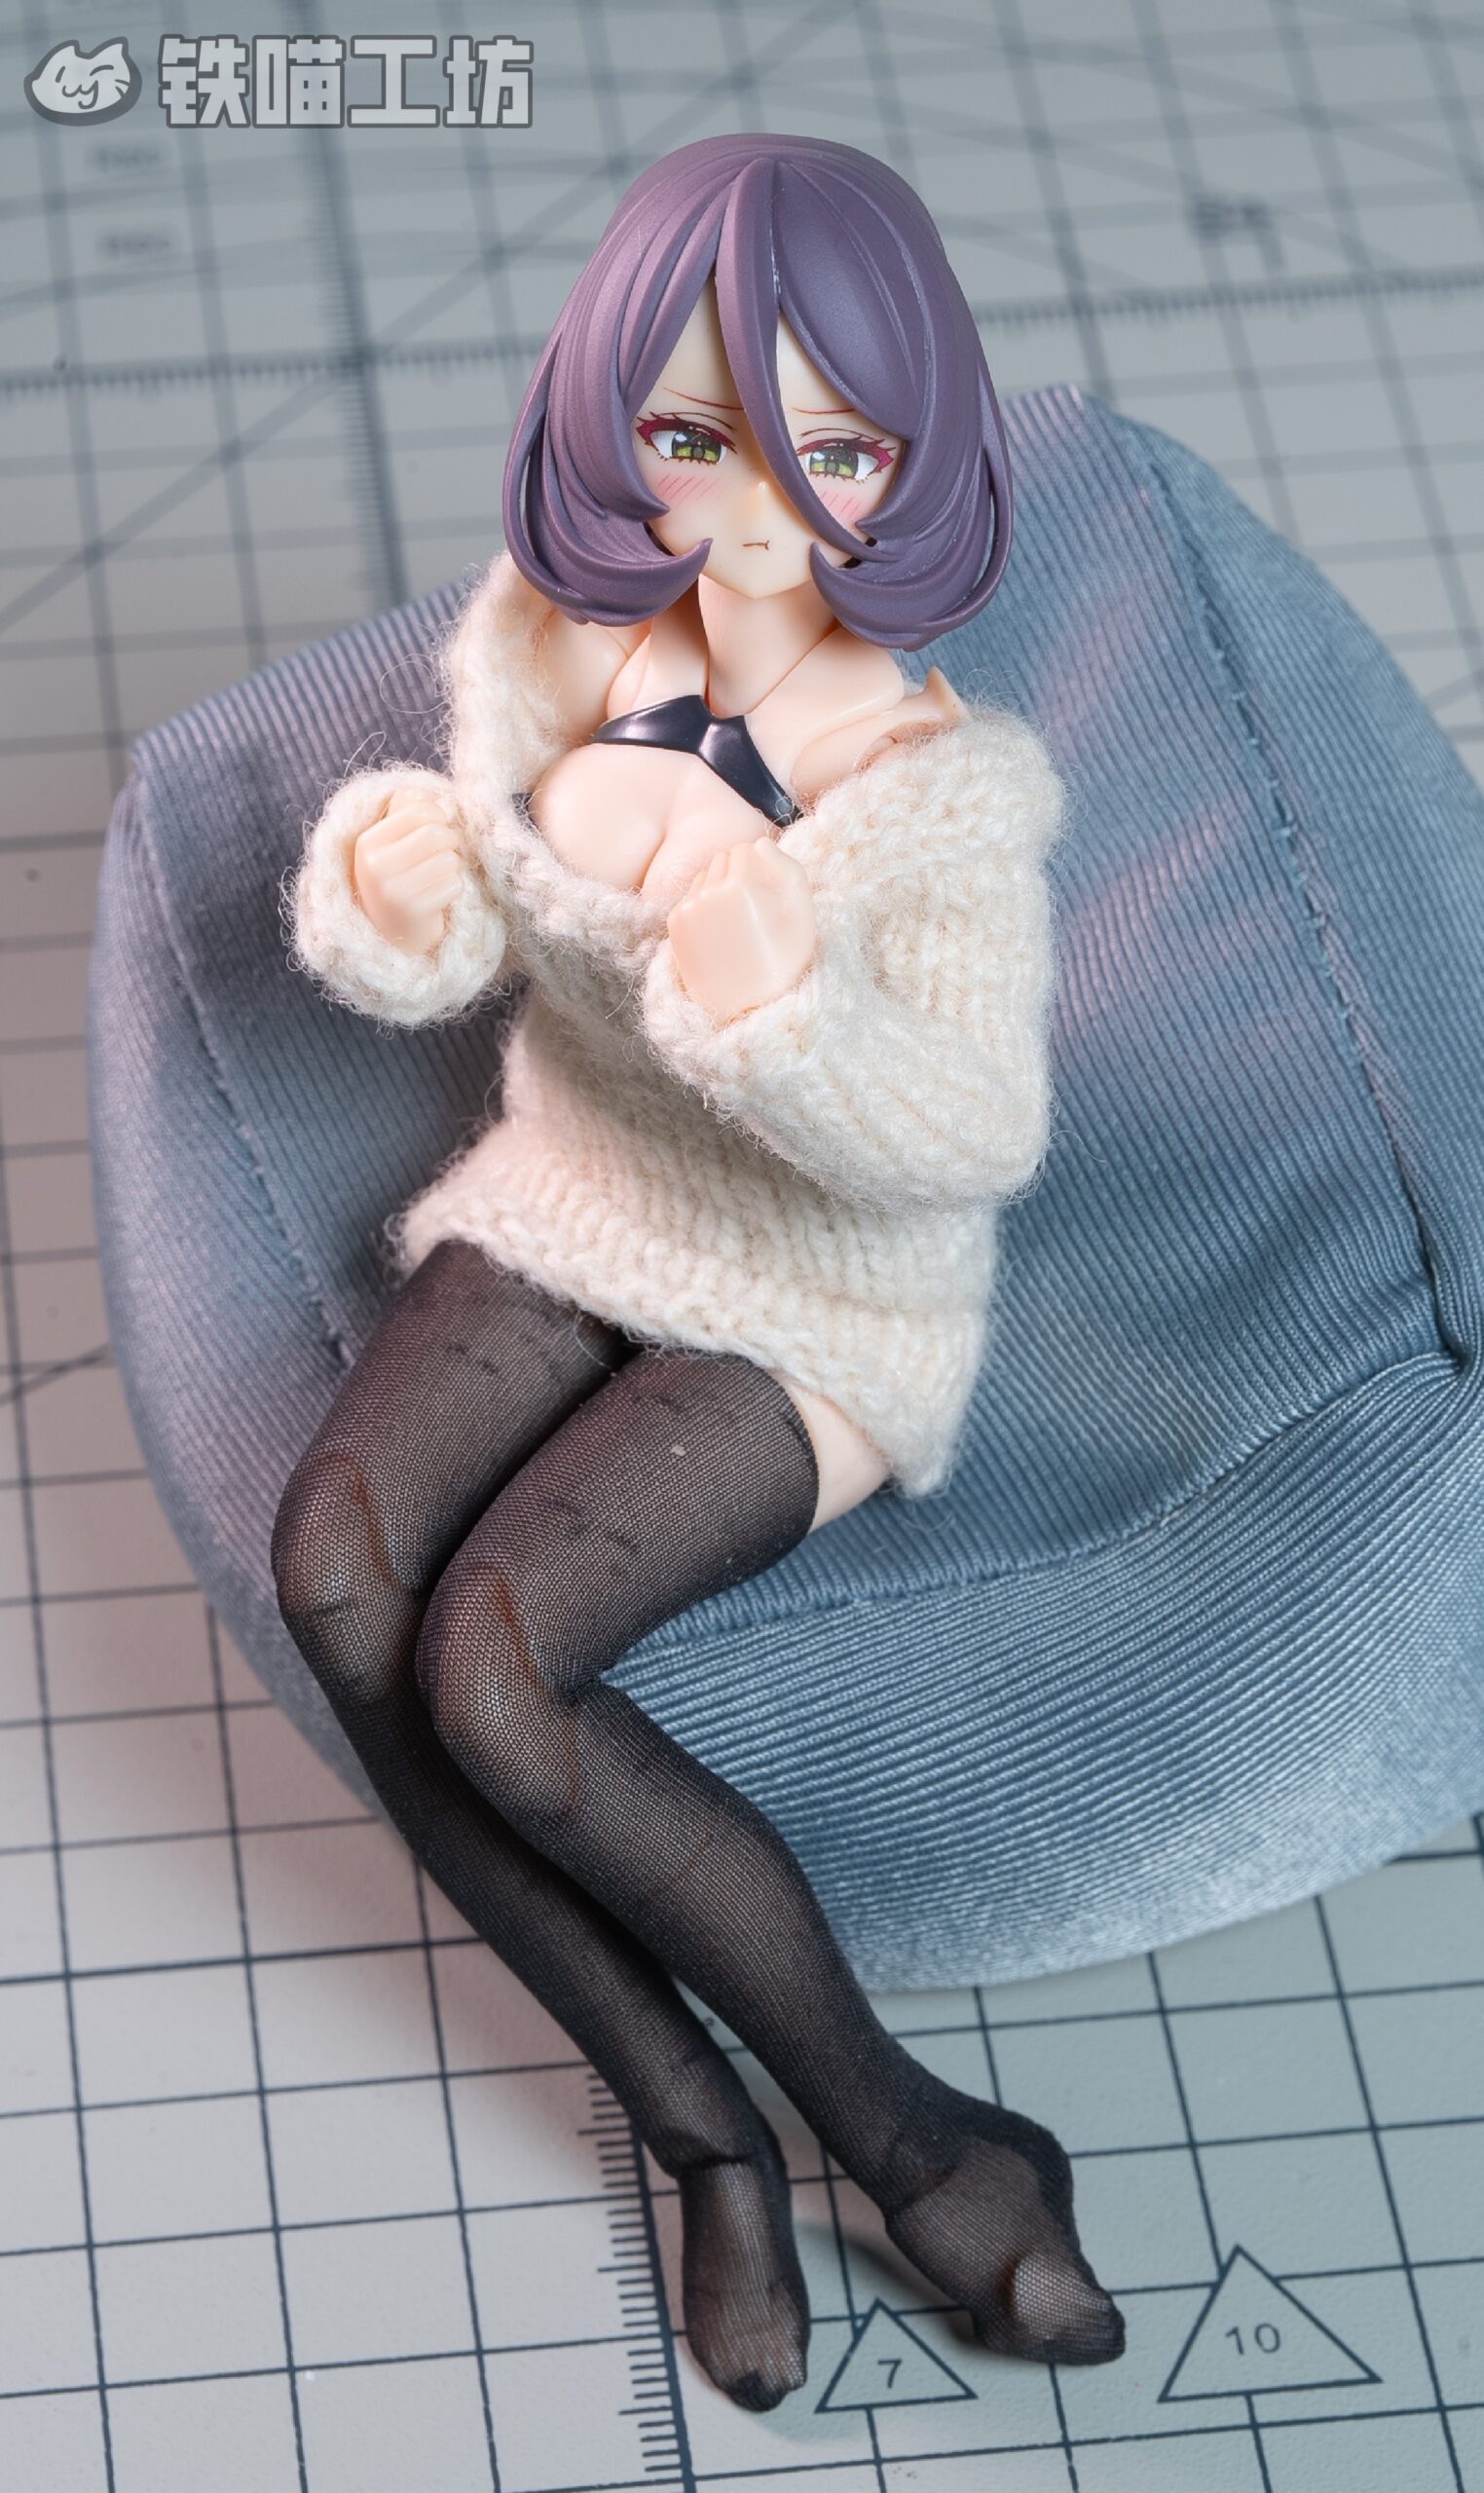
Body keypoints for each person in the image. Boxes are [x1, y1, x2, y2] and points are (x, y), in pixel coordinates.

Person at [273, 131, 1124, 2412]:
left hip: (828, 1289)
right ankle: (700, 2134)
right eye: (692, 428)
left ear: (903, 462)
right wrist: (401, 892)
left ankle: (922, 2139)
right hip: (582, 1189)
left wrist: (795, 1021)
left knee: (496, 1664)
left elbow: (981, 1133)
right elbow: (478, 918)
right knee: (339, 1572)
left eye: (828, 448)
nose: (754, 501)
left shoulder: (942, 790)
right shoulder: (545, 649)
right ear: (606, 413)